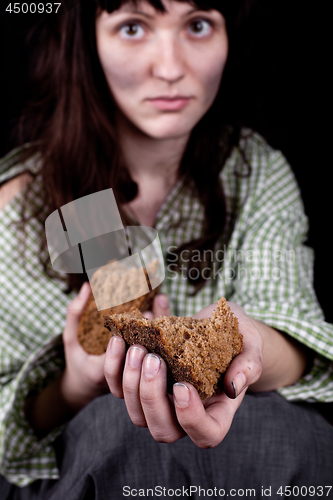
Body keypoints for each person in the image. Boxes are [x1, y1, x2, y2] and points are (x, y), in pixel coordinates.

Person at [0, 0, 332, 498]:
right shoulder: (23, 206)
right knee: (124, 434)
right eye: (132, 27)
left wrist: (251, 346)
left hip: (258, 468)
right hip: (82, 477)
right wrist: (74, 385)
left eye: (197, 25)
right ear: (86, 43)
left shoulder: (254, 172)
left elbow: (299, 337)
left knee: (289, 432)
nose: (171, 68)